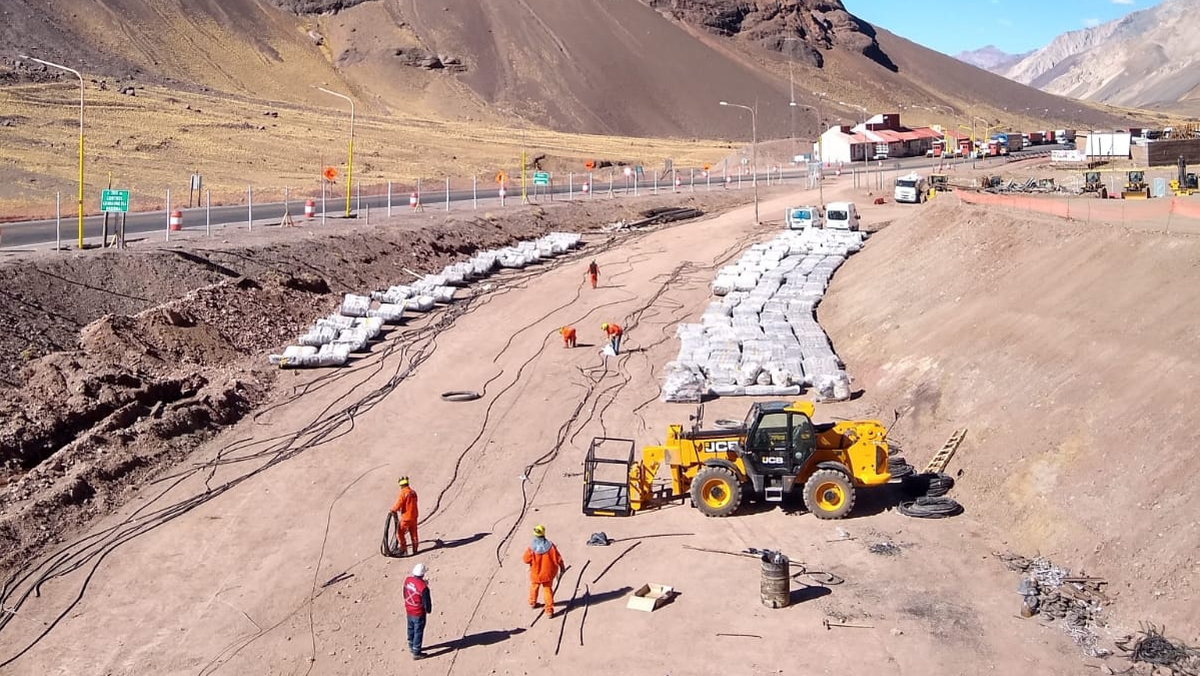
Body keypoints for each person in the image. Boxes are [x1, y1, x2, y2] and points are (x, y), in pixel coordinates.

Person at [523, 524, 566, 617]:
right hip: (548, 574)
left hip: (536, 574)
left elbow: (525, 559)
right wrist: (562, 567)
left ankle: (532, 603)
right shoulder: (551, 546)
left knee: (534, 587)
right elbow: (558, 559)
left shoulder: (531, 548)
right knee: (547, 590)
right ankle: (549, 611)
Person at [403, 563, 432, 659]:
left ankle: (411, 646)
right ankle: (416, 652)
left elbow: (404, 592)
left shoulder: (408, 580)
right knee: (418, 631)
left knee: (410, 628)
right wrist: (428, 610)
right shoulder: (423, 588)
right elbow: (426, 601)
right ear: (423, 574)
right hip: (418, 613)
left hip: (409, 609)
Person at [389, 477, 419, 555]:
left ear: (401, 485)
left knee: (399, 533)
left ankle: (403, 549)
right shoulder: (413, 492)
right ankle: (415, 550)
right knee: (414, 533)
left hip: (406, 517)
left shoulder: (403, 493)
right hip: (414, 516)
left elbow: (399, 503)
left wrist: (393, 510)